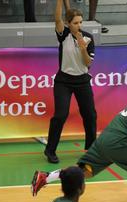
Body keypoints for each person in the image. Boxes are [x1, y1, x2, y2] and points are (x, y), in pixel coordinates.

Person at [44, 0, 97, 163]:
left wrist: (82, 49)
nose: (79, 25)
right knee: (60, 115)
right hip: (64, 81)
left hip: (82, 81)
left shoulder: (88, 38)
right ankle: (50, 150)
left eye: (80, 22)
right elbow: (57, 19)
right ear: (69, 23)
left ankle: (91, 149)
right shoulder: (64, 34)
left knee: (90, 114)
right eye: (75, 23)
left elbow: (88, 63)